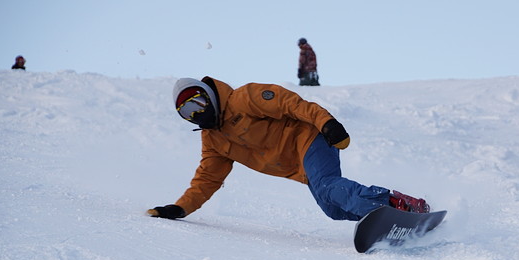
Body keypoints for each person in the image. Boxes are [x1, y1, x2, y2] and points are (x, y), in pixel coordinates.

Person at [147, 77, 430, 222]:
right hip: (301, 166)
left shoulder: (243, 99)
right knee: (332, 208)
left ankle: (395, 204)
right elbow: (206, 180)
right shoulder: (214, 142)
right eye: (187, 112)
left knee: (331, 187)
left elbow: (291, 103)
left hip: (310, 138)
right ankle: (385, 217)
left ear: (208, 96)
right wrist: (181, 208)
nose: (196, 114)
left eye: (197, 103)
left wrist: (328, 123)